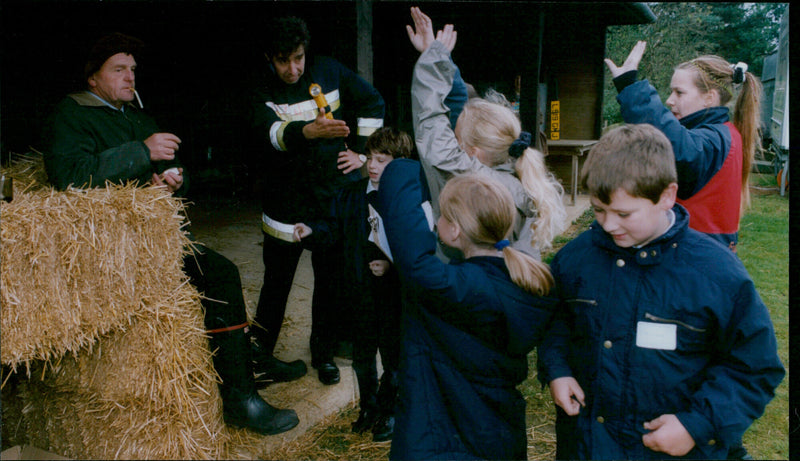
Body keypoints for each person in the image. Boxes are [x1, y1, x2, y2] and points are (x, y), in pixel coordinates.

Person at [39, 32, 298, 436]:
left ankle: (246, 366)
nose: (130, 77)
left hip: (155, 238)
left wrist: (174, 179)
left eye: (132, 69)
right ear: (93, 78)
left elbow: (172, 167)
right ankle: (240, 400)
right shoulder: (73, 115)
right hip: (114, 250)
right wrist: (142, 151)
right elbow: (69, 176)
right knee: (220, 276)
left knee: (222, 274)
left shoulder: (137, 116)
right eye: (118, 69)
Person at [537, 124, 784, 460]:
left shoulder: (717, 274)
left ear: (667, 195)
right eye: (598, 209)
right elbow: (554, 322)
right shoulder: (575, 259)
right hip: (586, 446)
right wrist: (558, 370)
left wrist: (697, 425)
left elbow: (755, 367)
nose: (608, 224)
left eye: (624, 213)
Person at [374, 159, 559, 460]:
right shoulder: (525, 282)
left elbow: (413, 257)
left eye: (442, 216)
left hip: (442, 435)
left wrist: (399, 169)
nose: (436, 222)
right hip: (498, 433)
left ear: (455, 230)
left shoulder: (458, 287)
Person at [247, 16, 385, 386]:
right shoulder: (259, 86)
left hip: (329, 201)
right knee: (276, 283)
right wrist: (309, 131)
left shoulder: (329, 69)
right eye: (283, 61)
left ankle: (323, 354)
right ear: (268, 58)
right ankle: (259, 358)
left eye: (298, 58)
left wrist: (361, 152)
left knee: (329, 281)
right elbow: (270, 135)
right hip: (286, 204)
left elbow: (372, 100)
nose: (293, 69)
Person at [406, 7, 566, 260]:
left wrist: (433, 59)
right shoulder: (521, 182)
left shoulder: (474, 181)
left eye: (456, 139)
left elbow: (431, 123)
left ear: (473, 152)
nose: (452, 142)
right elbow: (458, 101)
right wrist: (437, 58)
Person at [293, 127, 412, 442]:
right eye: (370, 158)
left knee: (393, 355)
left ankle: (390, 410)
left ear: (400, 164)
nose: (372, 166)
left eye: (382, 161)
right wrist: (312, 231)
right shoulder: (350, 194)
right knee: (362, 354)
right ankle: (368, 407)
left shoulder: (407, 199)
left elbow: (416, 247)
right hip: (359, 289)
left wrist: (391, 266)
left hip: (393, 294)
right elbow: (332, 228)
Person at [605, 41, 762, 253]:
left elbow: (675, 147)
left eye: (679, 92)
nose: (670, 100)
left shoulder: (714, 139)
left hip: (696, 254)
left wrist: (630, 88)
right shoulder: (723, 133)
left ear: (709, 98)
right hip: (700, 252)